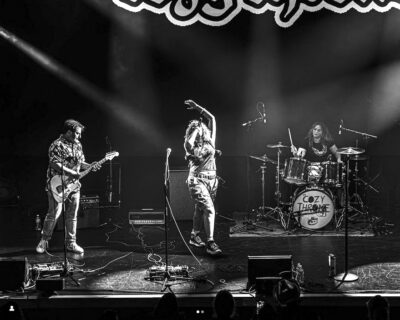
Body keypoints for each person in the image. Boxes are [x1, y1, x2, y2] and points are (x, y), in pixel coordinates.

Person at [36, 119, 101, 254]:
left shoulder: (78, 144)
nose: (79, 136)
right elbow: (55, 164)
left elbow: (80, 162)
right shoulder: (57, 145)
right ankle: (44, 240)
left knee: (72, 215)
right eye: (77, 133)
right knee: (53, 214)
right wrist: (72, 173)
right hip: (57, 185)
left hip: (74, 186)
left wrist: (89, 166)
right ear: (68, 132)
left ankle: (71, 243)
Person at [184, 99, 222, 256]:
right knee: (209, 209)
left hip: (212, 181)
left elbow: (212, 118)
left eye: (202, 128)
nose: (202, 130)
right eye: (198, 128)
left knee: (200, 209)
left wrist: (198, 108)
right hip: (197, 180)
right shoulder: (191, 147)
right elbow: (187, 143)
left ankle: (194, 235)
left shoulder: (210, 142)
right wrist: (195, 130)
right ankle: (210, 242)